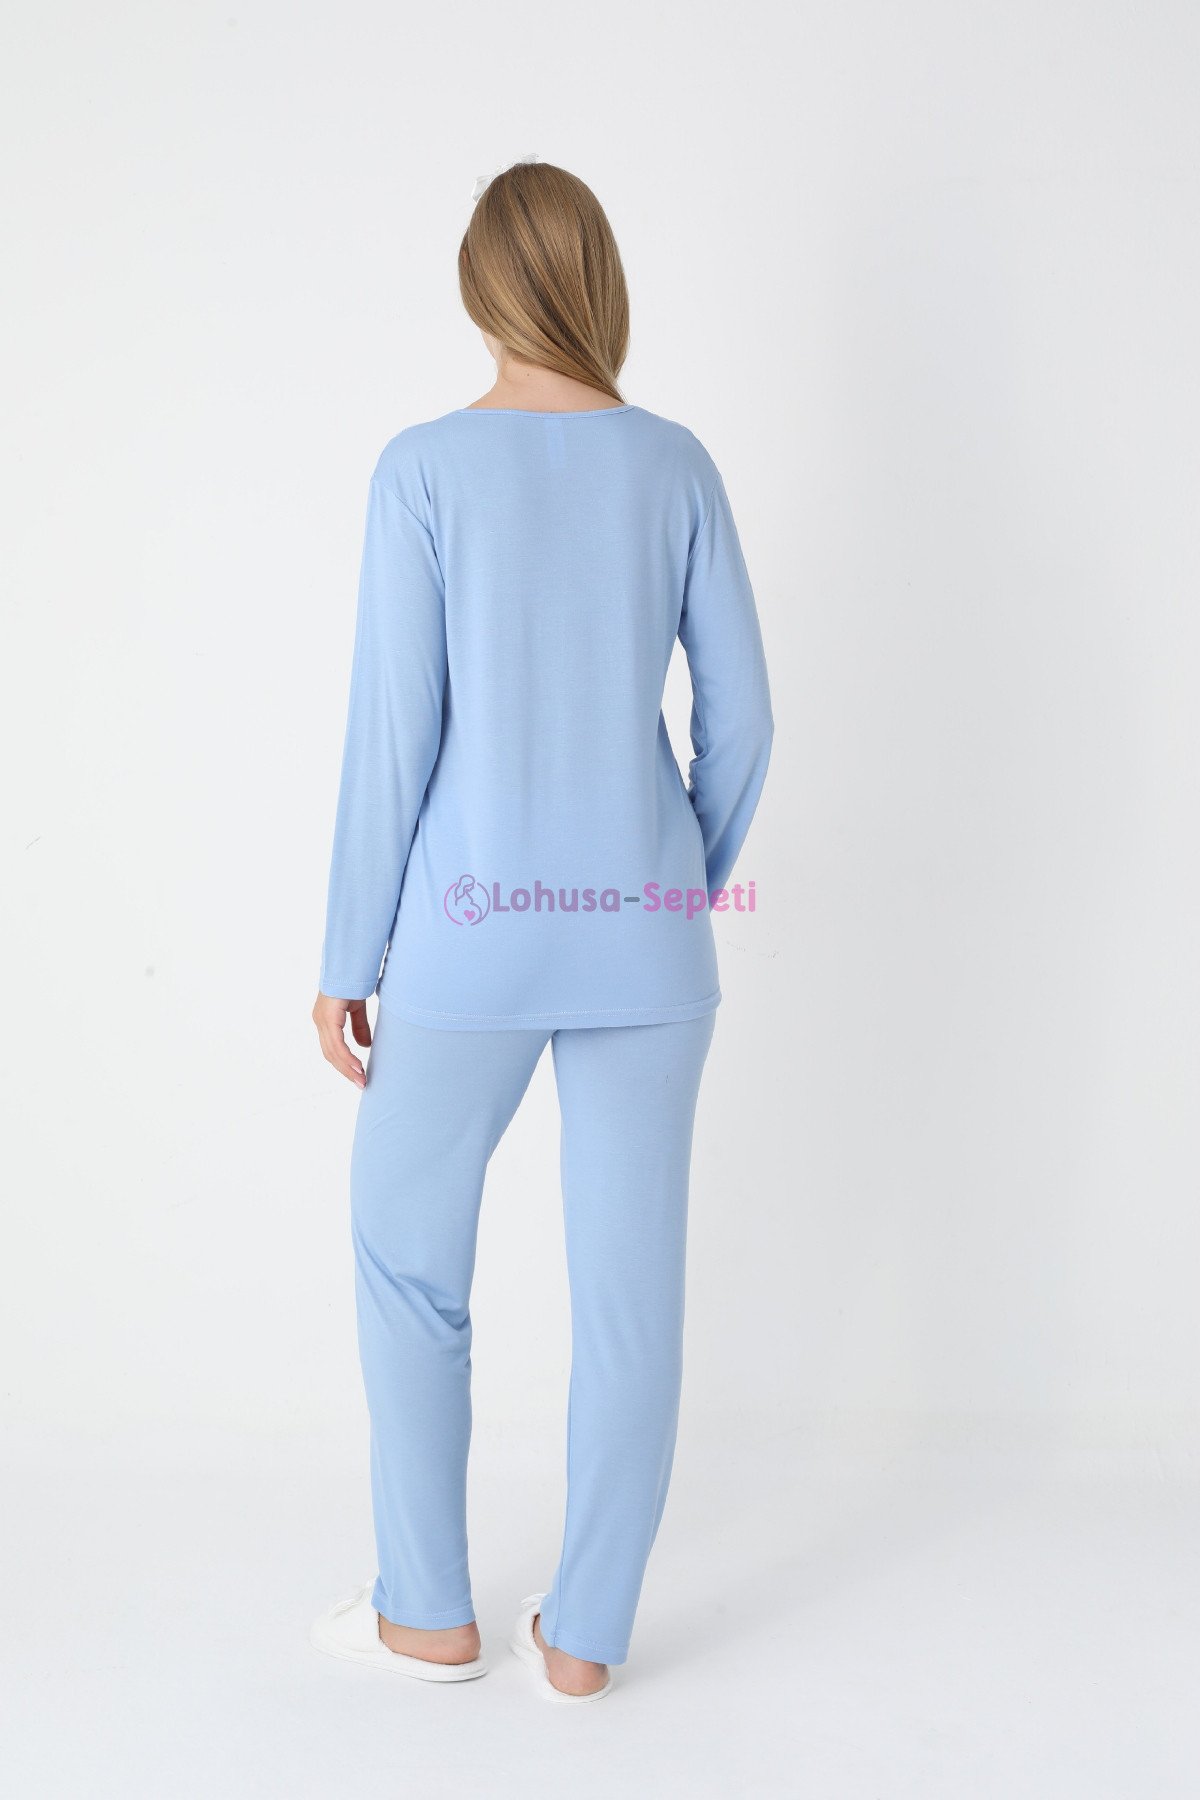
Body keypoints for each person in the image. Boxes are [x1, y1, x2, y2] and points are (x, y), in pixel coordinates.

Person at [309, 158, 773, 1702]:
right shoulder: (678, 463)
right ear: (598, 279)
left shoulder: (424, 470)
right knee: (631, 1301)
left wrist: (347, 959)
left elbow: (394, 739)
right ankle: (582, 1643)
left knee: (408, 1259)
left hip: (469, 935)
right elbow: (746, 720)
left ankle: (426, 1613)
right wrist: (670, 886)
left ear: (478, 284)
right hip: (647, 945)